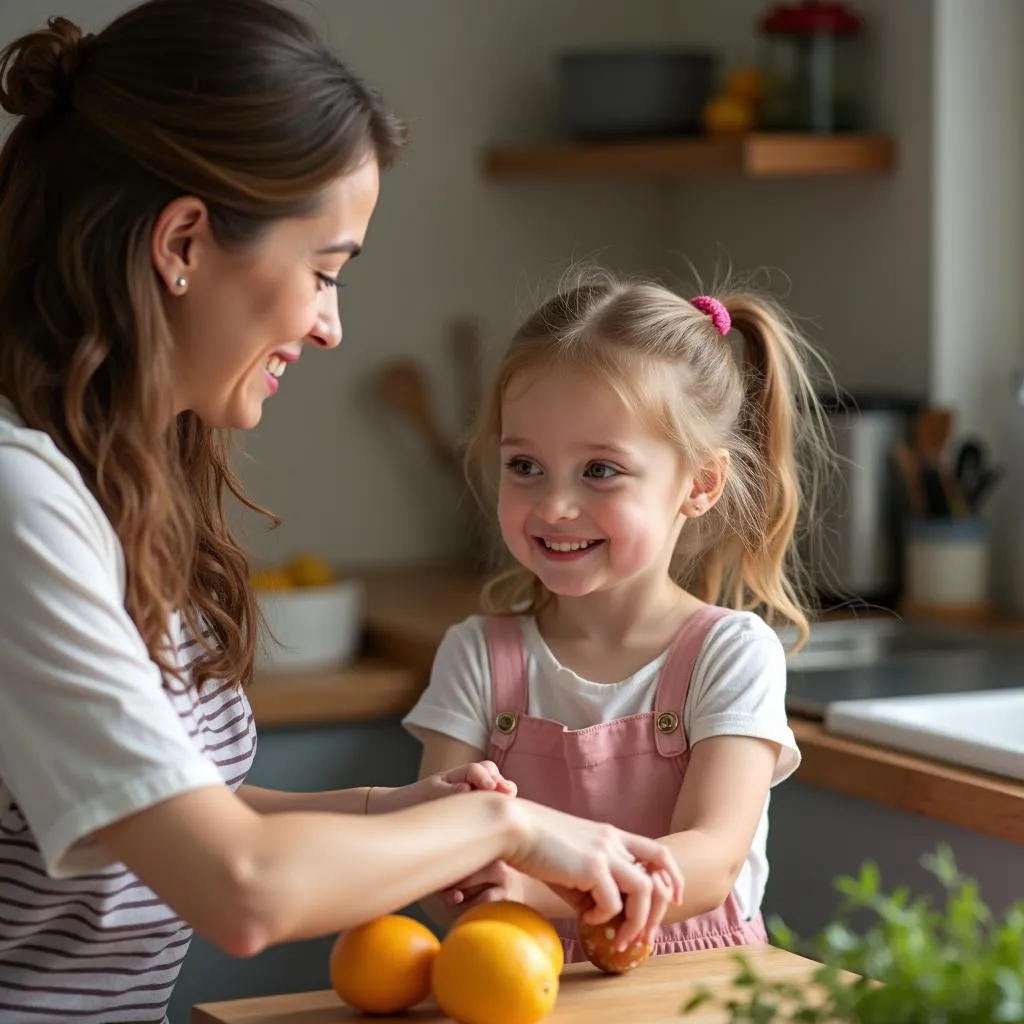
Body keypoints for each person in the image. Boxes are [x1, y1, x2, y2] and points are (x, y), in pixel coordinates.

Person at [0, 4, 683, 1021]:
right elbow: (240, 885)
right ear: (183, 240)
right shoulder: (22, 505)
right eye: (324, 272)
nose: (329, 326)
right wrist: (504, 833)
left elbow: (172, 817)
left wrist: (396, 811)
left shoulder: (111, 481)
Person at [404, 270, 832, 963]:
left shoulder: (729, 654)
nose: (554, 506)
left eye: (600, 470)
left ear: (699, 484)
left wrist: (535, 888)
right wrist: (463, 880)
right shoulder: (477, 654)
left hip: (695, 988)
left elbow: (712, 858)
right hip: (516, 983)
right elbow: (432, 844)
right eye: (525, 465)